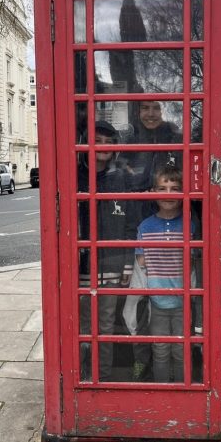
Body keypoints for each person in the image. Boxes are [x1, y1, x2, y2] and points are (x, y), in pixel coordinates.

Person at [78, 120, 136, 382]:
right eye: (96, 140)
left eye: (108, 142)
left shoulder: (121, 178)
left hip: (112, 264)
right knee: (81, 328)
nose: (102, 147)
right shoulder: (73, 174)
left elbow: (129, 223)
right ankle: (81, 377)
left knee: (104, 328)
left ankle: (102, 379)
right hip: (80, 266)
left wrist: (126, 264)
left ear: (115, 148)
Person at [136, 165, 195, 383]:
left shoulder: (191, 224)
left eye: (175, 188)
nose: (168, 194)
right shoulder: (145, 226)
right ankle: (163, 390)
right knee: (159, 350)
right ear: (153, 192)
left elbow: (196, 261)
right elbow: (141, 263)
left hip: (184, 299)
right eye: (162, 188)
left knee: (181, 350)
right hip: (156, 300)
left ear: (183, 193)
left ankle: (182, 389)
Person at [124, 100, 182, 193]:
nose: (151, 114)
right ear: (138, 111)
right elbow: (121, 165)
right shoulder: (132, 139)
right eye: (145, 108)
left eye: (157, 108)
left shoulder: (176, 138)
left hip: (168, 197)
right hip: (139, 198)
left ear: (163, 111)